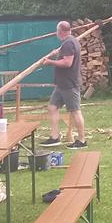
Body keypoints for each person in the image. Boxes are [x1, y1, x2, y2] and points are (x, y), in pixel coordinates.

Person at [40, 20, 87, 148]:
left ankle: (82, 140)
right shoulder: (70, 42)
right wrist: (56, 54)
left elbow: (67, 63)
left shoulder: (69, 43)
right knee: (52, 107)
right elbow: (65, 55)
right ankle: (55, 137)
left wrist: (50, 62)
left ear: (60, 31)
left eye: (57, 31)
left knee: (75, 111)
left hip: (69, 84)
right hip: (62, 84)